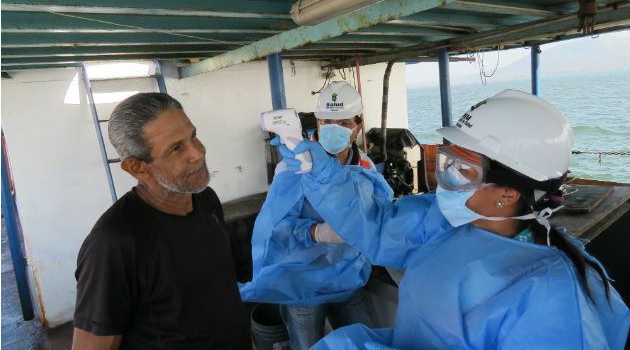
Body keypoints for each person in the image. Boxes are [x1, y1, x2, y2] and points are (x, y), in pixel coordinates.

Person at [277, 89, 630, 349]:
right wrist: (324, 176)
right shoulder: (447, 222)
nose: (445, 179)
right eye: (448, 161)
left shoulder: (549, 297)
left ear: (508, 194)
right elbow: (380, 228)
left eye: (463, 170)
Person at [72, 93, 250, 349]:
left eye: (193, 136)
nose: (198, 152)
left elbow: (223, 295)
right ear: (137, 168)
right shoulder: (114, 242)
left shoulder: (205, 200)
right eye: (176, 148)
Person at [240, 81, 392, 349]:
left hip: (348, 278)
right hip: (303, 285)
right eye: (326, 121)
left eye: (343, 122)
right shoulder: (293, 166)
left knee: (365, 339)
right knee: (306, 344)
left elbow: (378, 214)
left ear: (358, 125)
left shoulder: (365, 166)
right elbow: (273, 228)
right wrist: (317, 233)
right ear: (317, 123)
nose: (333, 129)